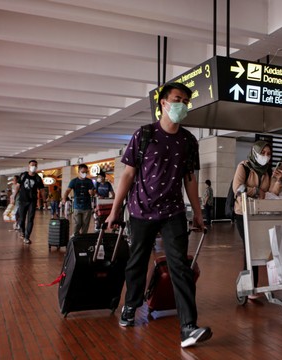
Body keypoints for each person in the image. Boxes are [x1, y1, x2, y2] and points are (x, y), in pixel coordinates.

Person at [104, 82, 212, 348]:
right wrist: (116, 210)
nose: (182, 105)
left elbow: (190, 179)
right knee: (137, 262)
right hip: (140, 210)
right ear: (163, 103)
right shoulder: (144, 134)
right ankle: (130, 305)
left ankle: (188, 326)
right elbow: (128, 174)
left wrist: (197, 213)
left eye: (186, 101)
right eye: (178, 99)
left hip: (173, 212)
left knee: (180, 268)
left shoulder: (188, 140)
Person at [232, 140, 282, 296]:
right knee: (250, 247)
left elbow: (272, 194)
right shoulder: (243, 167)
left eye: (268, 154)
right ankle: (249, 286)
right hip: (243, 213)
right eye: (263, 153)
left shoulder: (268, 171)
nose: (265, 156)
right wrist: (257, 191)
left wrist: (278, 179)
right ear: (255, 152)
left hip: (260, 213)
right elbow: (238, 188)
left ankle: (253, 285)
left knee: (260, 248)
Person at [15, 160, 45, 244]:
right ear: (28, 166)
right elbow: (18, 186)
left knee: (30, 219)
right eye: (32, 165)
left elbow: (42, 190)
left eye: (35, 165)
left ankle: (27, 237)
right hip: (22, 200)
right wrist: (13, 196)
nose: (34, 166)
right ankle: (22, 231)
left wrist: (44, 200)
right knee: (21, 219)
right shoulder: (23, 175)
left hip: (32, 201)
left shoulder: (38, 178)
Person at [62, 164, 95, 237]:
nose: (84, 174)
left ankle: (83, 238)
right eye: (82, 172)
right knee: (77, 223)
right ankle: (75, 236)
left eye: (86, 172)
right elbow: (67, 191)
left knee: (85, 224)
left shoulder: (89, 181)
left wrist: (92, 192)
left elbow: (93, 192)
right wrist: (64, 198)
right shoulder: (74, 181)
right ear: (79, 171)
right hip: (77, 206)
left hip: (87, 207)